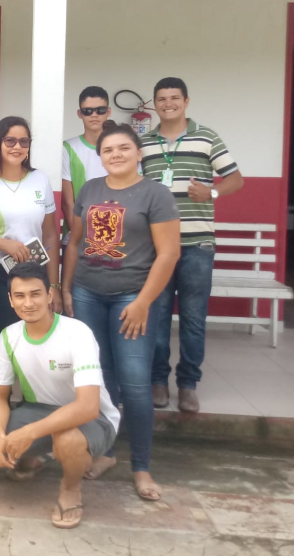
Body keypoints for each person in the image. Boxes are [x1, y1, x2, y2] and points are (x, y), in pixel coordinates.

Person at [62, 121, 180, 502]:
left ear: (138, 153)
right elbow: (74, 242)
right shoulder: (90, 189)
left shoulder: (156, 194)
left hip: (133, 296)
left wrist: (143, 302)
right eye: (108, 150)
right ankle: (107, 452)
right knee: (99, 378)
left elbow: (169, 254)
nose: (116, 155)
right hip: (88, 293)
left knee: (134, 383)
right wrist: (66, 288)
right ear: (100, 157)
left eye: (123, 148)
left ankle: (141, 467)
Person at [0, 262, 121, 530]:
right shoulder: (8, 337)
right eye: (20, 296)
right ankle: (45, 453)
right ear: (10, 300)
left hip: (93, 418)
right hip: (39, 410)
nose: (28, 303)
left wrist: (29, 433)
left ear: (49, 295)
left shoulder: (77, 333)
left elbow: (88, 407)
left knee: (68, 440)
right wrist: (1, 435)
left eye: (35, 294)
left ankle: (70, 489)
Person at [140, 77, 244, 413]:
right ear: (154, 104)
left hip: (197, 244)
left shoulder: (207, 137)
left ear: (186, 102)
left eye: (174, 98)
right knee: (155, 316)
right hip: (156, 247)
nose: (168, 104)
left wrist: (211, 192)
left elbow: (235, 179)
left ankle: (188, 385)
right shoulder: (144, 143)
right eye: (161, 99)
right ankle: (158, 380)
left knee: (194, 318)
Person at [0, 116, 61, 388]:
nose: (17, 147)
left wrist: (53, 284)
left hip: (35, 273)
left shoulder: (40, 179)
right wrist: (1, 243)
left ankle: (37, 402)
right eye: (10, 140)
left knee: (37, 341)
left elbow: (50, 234)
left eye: (23, 141)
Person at [61, 86, 110, 252]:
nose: (94, 115)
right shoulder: (67, 148)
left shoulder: (120, 147)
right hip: (77, 240)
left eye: (100, 110)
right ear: (79, 113)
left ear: (108, 112)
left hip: (115, 239)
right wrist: (81, 238)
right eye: (87, 111)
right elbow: (67, 203)